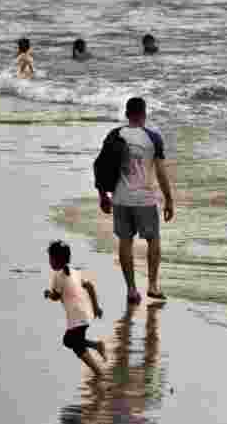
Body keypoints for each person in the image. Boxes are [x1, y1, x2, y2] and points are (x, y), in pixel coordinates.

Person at [97, 97, 175, 305]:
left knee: (125, 241)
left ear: (126, 113)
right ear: (144, 113)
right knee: (153, 239)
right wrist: (169, 199)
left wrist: (103, 195)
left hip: (120, 199)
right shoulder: (152, 138)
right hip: (145, 200)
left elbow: (101, 167)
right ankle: (152, 285)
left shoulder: (115, 134)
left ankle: (131, 290)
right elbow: (160, 172)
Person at [44, 241, 106, 376]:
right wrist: (96, 307)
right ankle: (97, 352)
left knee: (71, 342)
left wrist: (48, 294)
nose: (49, 261)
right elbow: (90, 286)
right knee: (73, 343)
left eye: (50, 258)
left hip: (77, 316)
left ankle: (98, 369)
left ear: (57, 259)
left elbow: (55, 297)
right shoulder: (75, 272)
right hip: (85, 312)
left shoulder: (58, 276)